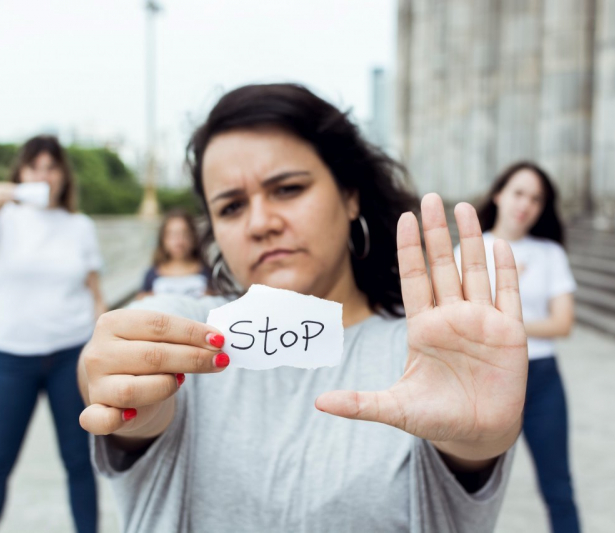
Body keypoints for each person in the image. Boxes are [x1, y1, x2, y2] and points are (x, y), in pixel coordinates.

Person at [77, 84, 529, 532]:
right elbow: (119, 369)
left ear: (350, 194)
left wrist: (479, 442)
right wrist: (124, 391)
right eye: (232, 206)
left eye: (287, 189)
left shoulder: (429, 350)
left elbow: (466, 451)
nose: (261, 223)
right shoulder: (192, 335)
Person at [0, 135, 102, 533]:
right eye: (35, 166)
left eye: (51, 167)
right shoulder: (3, 220)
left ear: (63, 175)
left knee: (78, 461)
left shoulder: (79, 226)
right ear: (21, 173)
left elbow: (95, 293)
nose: (44, 174)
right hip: (12, 355)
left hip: (70, 354)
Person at [458, 161, 581, 533]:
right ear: (499, 194)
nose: (525, 204)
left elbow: (562, 323)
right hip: (486, 377)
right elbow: (462, 320)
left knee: (558, 485)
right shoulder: (470, 250)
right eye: (518, 193)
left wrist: (502, 317)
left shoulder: (549, 253)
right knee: (468, 487)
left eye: (536, 198)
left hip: (542, 378)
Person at [136, 209, 208, 300]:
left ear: (193, 237)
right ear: (163, 239)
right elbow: (140, 302)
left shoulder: (209, 272)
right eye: (172, 235)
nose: (179, 241)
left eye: (185, 234)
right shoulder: (151, 274)